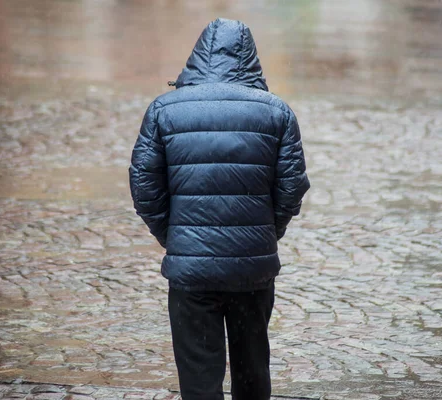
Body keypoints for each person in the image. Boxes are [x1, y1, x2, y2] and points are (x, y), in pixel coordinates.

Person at [129, 18, 310, 400]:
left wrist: (175, 235)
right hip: (252, 269)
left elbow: (145, 188)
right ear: (251, 60)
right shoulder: (276, 112)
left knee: (198, 375)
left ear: (196, 57)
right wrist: (263, 232)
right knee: (252, 368)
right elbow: (292, 188)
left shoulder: (164, 110)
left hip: (192, 272)